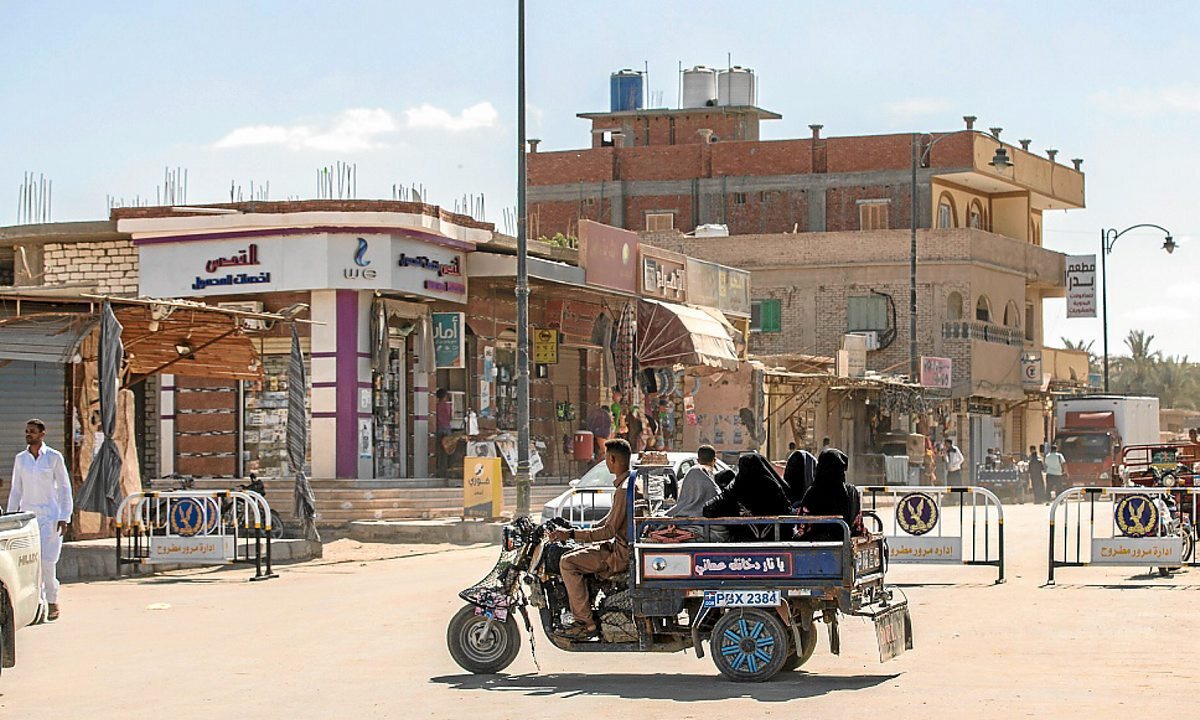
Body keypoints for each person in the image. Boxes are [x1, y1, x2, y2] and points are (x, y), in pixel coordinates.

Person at [548, 439, 635, 639]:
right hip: (618, 548)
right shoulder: (627, 484)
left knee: (567, 562)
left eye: (606, 457)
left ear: (612, 459)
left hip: (619, 554)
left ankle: (584, 623)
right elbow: (608, 522)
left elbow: (609, 531)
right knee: (574, 552)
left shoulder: (624, 490)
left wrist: (572, 535)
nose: (605, 461)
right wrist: (578, 530)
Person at [8, 419, 72, 621]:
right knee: (30, 564)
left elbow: (64, 488)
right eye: (27, 431)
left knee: (46, 562)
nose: (28, 435)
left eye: (32, 431)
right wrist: (10, 517)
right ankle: (37, 605)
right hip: (28, 519)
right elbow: (16, 490)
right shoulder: (21, 459)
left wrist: (64, 516)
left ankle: (52, 601)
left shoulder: (53, 457)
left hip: (50, 518)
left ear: (42, 434)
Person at [703, 453, 793, 540]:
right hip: (777, 541)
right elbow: (788, 513)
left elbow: (709, 509)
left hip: (742, 542)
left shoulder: (736, 488)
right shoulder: (775, 489)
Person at [797, 448, 861, 541]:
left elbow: (802, 523)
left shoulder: (814, 492)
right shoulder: (852, 491)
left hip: (816, 544)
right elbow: (857, 525)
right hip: (845, 540)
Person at [665, 445, 726, 540]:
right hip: (709, 528)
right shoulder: (712, 481)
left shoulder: (691, 473)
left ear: (698, 460)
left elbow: (682, 503)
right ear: (714, 460)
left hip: (687, 523)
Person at [435, 389, 453, 478]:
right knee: (448, 449)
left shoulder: (436, 406)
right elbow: (450, 417)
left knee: (439, 450)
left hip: (438, 428)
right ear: (445, 396)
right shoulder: (448, 405)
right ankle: (446, 469)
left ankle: (439, 469)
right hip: (447, 428)